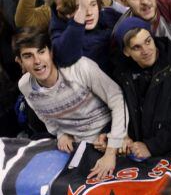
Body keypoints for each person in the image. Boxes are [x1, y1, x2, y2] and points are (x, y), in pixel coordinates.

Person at [13, 27, 126, 179]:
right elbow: (44, 116)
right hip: (74, 144)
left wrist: (112, 149)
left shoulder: (80, 67)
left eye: (41, 52)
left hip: (106, 137)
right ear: (19, 61)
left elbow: (117, 98)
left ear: (51, 52)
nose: (37, 61)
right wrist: (61, 133)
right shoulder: (25, 86)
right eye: (28, 56)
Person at [113, 18, 171, 158]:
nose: (146, 50)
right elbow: (116, 109)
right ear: (126, 52)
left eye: (148, 41)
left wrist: (152, 147)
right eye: (136, 47)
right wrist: (123, 136)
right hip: (134, 150)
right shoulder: (120, 72)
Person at [50, 0, 121, 72]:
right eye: (79, 8)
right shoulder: (59, 33)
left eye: (93, 5)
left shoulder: (109, 15)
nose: (89, 12)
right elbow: (64, 56)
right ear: (67, 13)